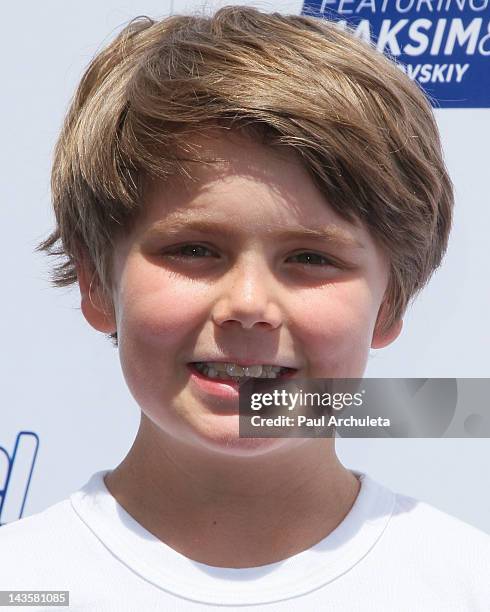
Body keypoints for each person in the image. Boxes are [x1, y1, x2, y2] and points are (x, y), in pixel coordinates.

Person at [1, 5, 488, 610]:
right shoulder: (17, 580)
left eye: (311, 259)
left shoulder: (466, 585)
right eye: (195, 249)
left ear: (390, 302)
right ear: (97, 285)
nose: (249, 306)